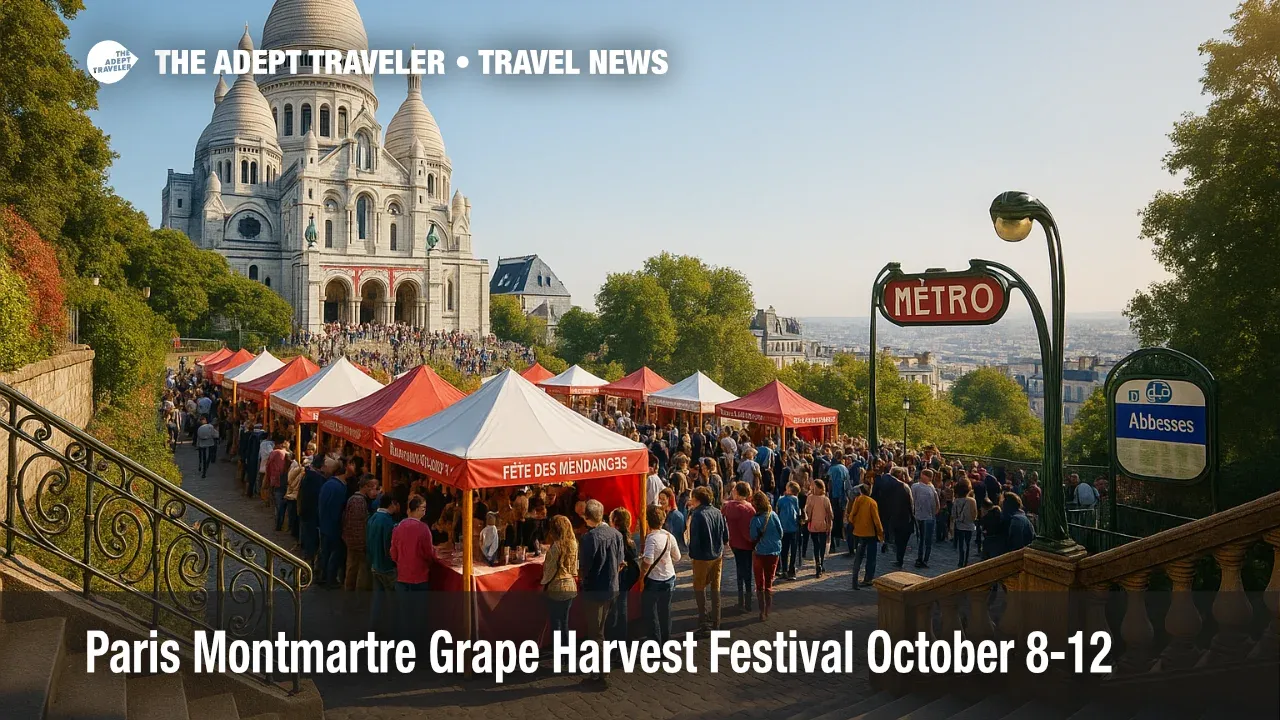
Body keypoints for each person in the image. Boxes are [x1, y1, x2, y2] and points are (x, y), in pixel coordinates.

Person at [577, 499, 624, 686]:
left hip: (595, 590)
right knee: (601, 630)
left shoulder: (589, 539)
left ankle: (599, 672)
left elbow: (585, 568)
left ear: (587, 518)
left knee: (596, 633)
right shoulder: (616, 534)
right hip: (611, 588)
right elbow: (620, 563)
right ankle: (599, 669)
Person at [390, 495, 435, 641]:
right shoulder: (423, 529)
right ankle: (416, 644)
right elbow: (429, 553)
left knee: (404, 612)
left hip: (402, 575)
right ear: (416, 510)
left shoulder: (398, 527)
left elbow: (393, 552)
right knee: (418, 614)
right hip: (419, 576)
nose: (424, 512)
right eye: (423, 509)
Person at [686, 486, 726, 637]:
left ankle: (704, 621)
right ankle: (716, 621)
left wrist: (692, 554)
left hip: (702, 557)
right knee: (715, 589)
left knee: (699, 588)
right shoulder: (717, 512)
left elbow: (695, 540)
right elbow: (724, 533)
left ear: (697, 499)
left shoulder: (697, 515)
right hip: (717, 554)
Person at [641, 504, 680, 644]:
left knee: (651, 613)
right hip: (669, 577)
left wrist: (642, 573)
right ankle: (665, 641)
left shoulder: (651, 538)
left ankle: (655, 643)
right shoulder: (669, 536)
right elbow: (677, 557)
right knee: (665, 611)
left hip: (654, 580)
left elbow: (648, 560)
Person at [540, 515, 578, 647]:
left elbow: (549, 569)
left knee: (556, 623)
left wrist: (543, 584)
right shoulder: (573, 544)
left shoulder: (556, 547)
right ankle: (568, 653)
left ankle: (558, 653)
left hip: (557, 587)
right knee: (565, 621)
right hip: (570, 586)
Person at [721, 482, 756, 613]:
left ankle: (740, 600)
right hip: (748, 543)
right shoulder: (750, 509)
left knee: (739, 570)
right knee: (748, 572)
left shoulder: (728, 507)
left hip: (734, 543)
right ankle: (748, 600)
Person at [366, 494, 399, 633]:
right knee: (393, 601)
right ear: (392, 503)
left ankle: (374, 626)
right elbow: (388, 546)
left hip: (374, 564)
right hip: (386, 566)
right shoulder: (387, 522)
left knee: (378, 598)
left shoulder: (372, 518)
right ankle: (394, 628)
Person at [748, 491, 783, 621]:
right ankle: (768, 609)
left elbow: (752, 537)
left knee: (759, 583)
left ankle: (761, 611)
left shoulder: (755, 519)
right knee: (769, 581)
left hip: (760, 552)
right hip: (774, 551)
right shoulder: (773, 515)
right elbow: (780, 532)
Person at [606, 507, 639, 642]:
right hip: (625, 580)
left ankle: (614, 641)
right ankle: (622, 640)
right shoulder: (630, 540)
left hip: (617, 579)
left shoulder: (614, 539)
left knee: (614, 611)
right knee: (622, 609)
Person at [343, 474, 377, 591]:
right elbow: (358, 526)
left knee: (352, 568)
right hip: (358, 543)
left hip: (351, 541)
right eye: (373, 487)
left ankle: (350, 595)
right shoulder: (359, 501)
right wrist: (363, 543)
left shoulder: (353, 499)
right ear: (367, 487)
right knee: (361, 571)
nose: (375, 490)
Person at [847, 484, 884, 588]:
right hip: (870, 533)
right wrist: (880, 533)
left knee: (858, 557)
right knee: (871, 557)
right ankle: (868, 578)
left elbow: (851, 516)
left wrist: (856, 524)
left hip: (858, 532)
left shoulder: (857, 500)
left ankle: (854, 580)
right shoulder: (872, 502)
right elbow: (876, 520)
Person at [317, 468, 349, 588]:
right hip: (333, 527)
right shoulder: (339, 488)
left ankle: (323, 576)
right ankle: (330, 579)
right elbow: (337, 511)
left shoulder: (327, 484)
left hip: (324, 524)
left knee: (325, 552)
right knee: (335, 553)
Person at [296, 454, 327, 568]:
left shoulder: (309, 475)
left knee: (309, 539)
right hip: (311, 515)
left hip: (306, 513)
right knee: (311, 541)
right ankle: (309, 565)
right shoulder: (316, 479)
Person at [803, 479, 834, 578]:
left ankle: (818, 564)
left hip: (813, 525)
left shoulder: (810, 498)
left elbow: (807, 511)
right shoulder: (825, 499)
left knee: (816, 545)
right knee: (821, 545)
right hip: (823, 525)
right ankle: (821, 563)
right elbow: (830, 514)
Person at [910, 469, 940, 569]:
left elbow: (912, 500)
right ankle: (925, 559)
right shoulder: (932, 488)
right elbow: (937, 505)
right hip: (929, 516)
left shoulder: (915, 486)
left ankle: (920, 558)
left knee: (921, 539)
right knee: (927, 540)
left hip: (920, 516)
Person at [776, 481, 801, 580]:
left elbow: (778, 510)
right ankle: (791, 570)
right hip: (793, 527)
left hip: (784, 527)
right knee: (793, 550)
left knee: (784, 550)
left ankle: (784, 570)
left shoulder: (782, 500)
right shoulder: (795, 500)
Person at [952, 480, 978, 568]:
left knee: (961, 544)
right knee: (967, 544)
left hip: (960, 525)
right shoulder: (972, 501)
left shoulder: (956, 501)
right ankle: (966, 562)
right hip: (969, 525)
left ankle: (960, 560)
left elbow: (954, 514)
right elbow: (975, 514)